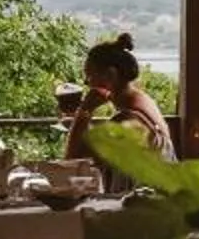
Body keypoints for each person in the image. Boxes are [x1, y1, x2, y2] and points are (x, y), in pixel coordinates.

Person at [63, 34, 173, 176]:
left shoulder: (128, 119)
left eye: (90, 76)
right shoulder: (143, 101)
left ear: (110, 75)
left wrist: (84, 111)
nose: (87, 83)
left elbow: (73, 163)